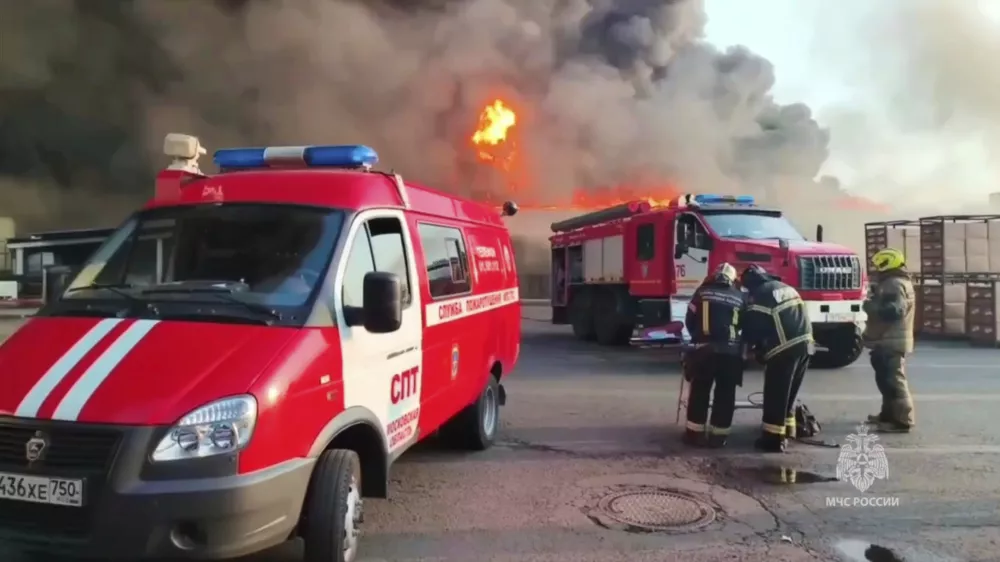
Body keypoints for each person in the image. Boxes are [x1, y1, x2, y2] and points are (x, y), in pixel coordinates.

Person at [740, 264, 813, 452]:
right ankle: (789, 430)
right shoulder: (784, 288)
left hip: (783, 347)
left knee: (776, 395)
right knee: (789, 394)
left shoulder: (761, 293)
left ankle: (773, 440)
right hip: (806, 344)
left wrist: (748, 347)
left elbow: (753, 326)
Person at [682, 262, 746, 448]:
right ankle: (719, 436)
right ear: (732, 279)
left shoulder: (702, 292)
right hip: (730, 353)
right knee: (726, 393)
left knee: (700, 390)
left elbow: (690, 319)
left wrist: (698, 336)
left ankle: (694, 434)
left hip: (704, 350)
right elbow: (743, 324)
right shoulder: (739, 296)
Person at [862, 248, 916, 433]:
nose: (876, 270)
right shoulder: (897, 282)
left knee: (894, 382)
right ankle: (888, 415)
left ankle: (902, 421)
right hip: (887, 339)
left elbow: (894, 311)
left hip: (891, 340)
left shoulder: (894, 284)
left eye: (878, 266)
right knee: (886, 381)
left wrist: (870, 305)